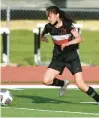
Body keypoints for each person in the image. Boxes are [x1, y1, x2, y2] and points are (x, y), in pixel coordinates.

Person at [40, 6, 99, 104]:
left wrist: (68, 43)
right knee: (46, 81)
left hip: (71, 57)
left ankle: (98, 98)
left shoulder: (68, 26)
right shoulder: (48, 27)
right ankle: (63, 83)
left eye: (50, 16)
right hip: (58, 57)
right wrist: (42, 37)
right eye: (47, 16)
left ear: (57, 15)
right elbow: (43, 33)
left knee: (80, 84)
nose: (48, 18)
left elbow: (79, 38)